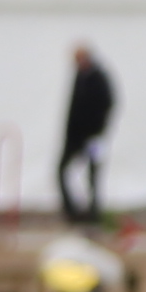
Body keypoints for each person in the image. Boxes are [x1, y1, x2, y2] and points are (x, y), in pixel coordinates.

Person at [57, 43, 117, 226]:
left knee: (93, 174)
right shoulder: (79, 76)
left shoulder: (99, 77)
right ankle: (72, 211)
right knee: (61, 171)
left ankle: (94, 213)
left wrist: (98, 129)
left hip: (93, 137)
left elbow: (108, 104)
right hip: (75, 137)